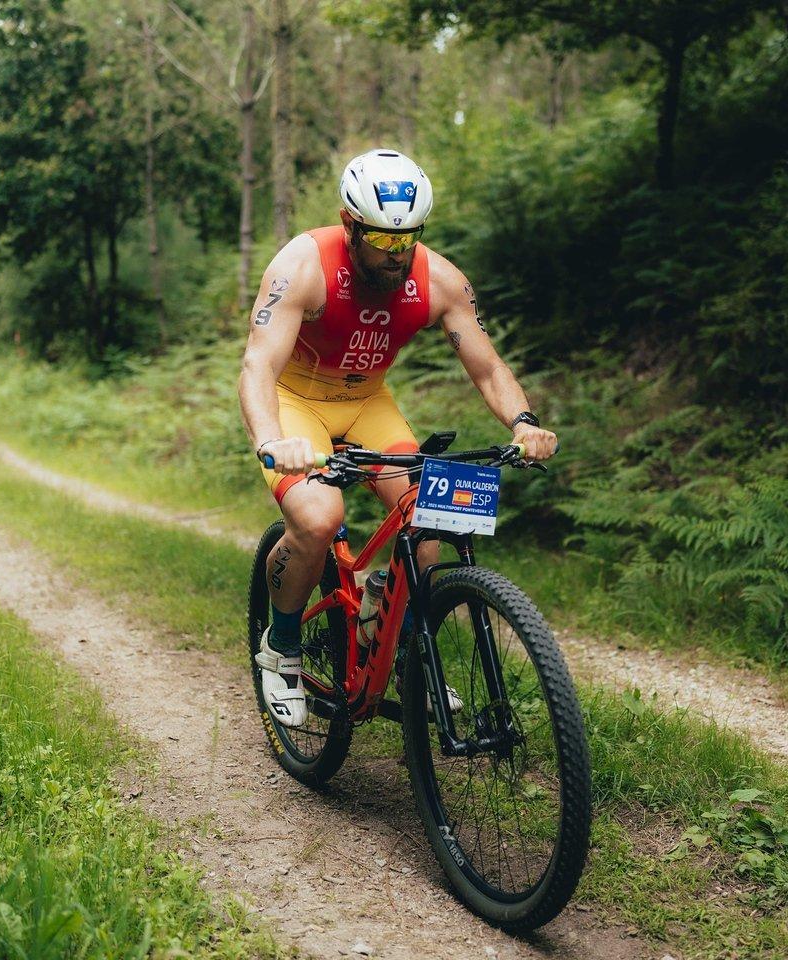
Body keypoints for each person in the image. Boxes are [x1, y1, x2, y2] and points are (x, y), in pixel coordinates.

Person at [238, 148, 558, 727]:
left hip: (367, 404)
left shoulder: (439, 280)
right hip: (296, 403)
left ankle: (403, 645)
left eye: (409, 238)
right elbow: (258, 367)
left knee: (432, 515)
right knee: (317, 518)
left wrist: (524, 422)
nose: (398, 253)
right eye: (384, 240)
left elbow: (487, 368)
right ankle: (280, 645)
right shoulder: (302, 267)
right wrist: (270, 439)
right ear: (349, 224)